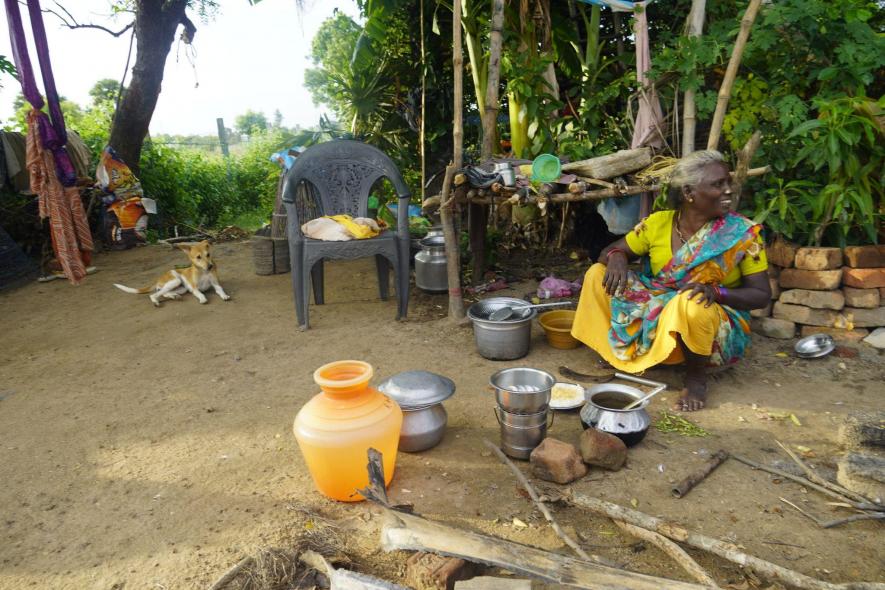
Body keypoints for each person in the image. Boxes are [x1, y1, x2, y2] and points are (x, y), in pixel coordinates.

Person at [571, 150, 771, 411]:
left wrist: (717, 293)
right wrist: (617, 256)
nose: (729, 190)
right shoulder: (658, 223)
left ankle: (696, 378)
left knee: (691, 300)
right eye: (718, 184)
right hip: (658, 311)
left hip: (710, 322)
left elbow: (761, 295)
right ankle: (616, 354)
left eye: (728, 182)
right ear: (689, 193)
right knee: (597, 273)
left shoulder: (743, 234)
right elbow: (609, 252)